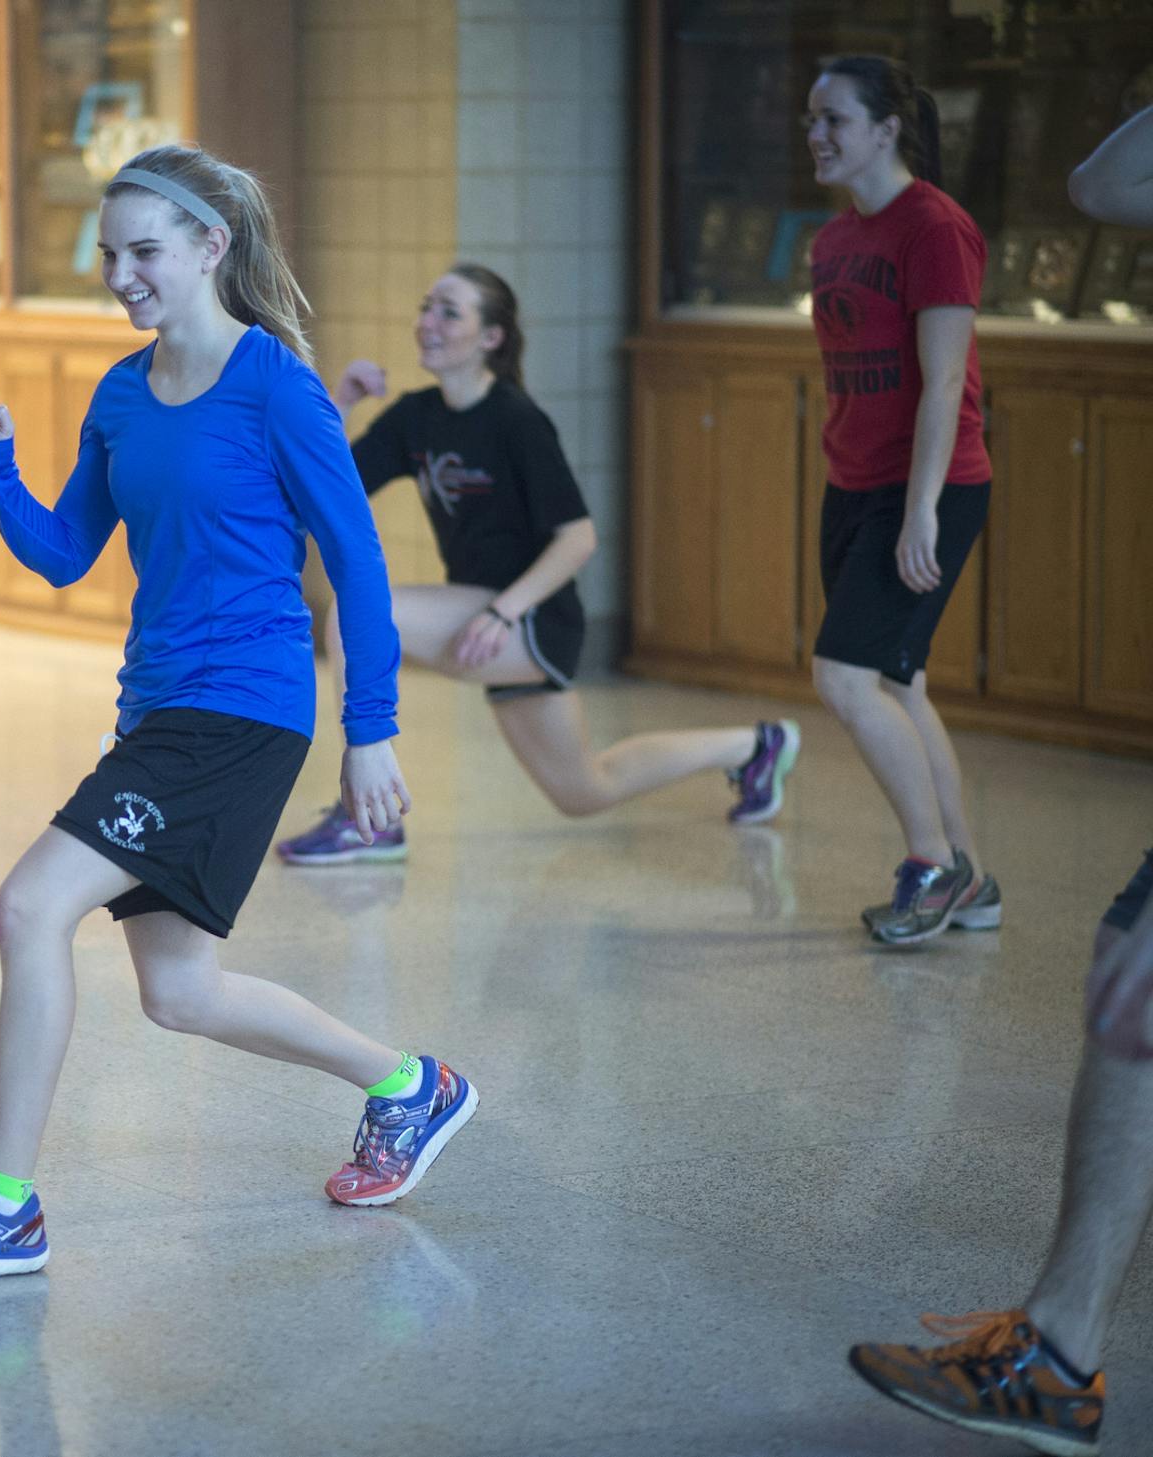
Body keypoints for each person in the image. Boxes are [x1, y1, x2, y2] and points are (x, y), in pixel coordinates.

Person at [0, 144, 475, 1285]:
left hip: (242, 709)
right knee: (179, 992)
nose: (121, 273)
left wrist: (369, 727)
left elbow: (360, 561)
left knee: (30, 902)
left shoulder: (277, 385)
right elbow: (63, 550)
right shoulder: (123, 392)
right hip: (159, 708)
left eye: (144, 249)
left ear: (208, 246)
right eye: (109, 253)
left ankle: (2, 1202)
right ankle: (410, 1085)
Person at [846, 105, 1153, 1457]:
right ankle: (1061, 1352)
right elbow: (1104, 176)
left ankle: (1062, 1350)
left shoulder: (935, 228)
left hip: (923, 482)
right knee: (1129, 972)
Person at [273, 264, 799, 866]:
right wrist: (340, 400)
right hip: (486, 616)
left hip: (533, 618)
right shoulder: (416, 418)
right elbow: (325, 487)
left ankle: (368, 813)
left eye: (449, 312)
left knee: (354, 616)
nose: (428, 323)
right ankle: (754, 745)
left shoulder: (516, 420)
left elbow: (578, 538)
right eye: (427, 307)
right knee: (584, 790)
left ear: (491, 337)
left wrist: (503, 612)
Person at [801, 55, 998, 947]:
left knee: (844, 674)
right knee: (895, 680)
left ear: (887, 128)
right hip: (853, 487)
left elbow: (946, 380)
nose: (816, 135)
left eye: (834, 119)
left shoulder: (937, 228)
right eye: (812, 120)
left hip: (928, 487)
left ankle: (933, 866)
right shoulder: (834, 239)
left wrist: (919, 511)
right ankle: (974, 878)